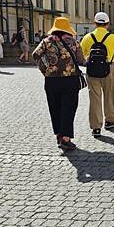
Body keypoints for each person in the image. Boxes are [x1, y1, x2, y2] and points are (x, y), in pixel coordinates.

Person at [32, 17, 85, 151]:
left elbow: (35, 55)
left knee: (54, 108)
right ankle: (66, 138)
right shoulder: (74, 42)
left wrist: (45, 70)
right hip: (70, 80)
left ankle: (58, 135)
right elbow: (80, 60)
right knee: (69, 108)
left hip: (52, 80)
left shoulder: (46, 41)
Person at [80, 12, 114, 137]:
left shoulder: (87, 37)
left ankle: (96, 127)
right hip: (109, 69)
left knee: (94, 99)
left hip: (92, 71)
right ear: (108, 24)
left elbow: (82, 56)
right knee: (109, 96)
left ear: (95, 23)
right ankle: (110, 121)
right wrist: (110, 61)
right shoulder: (113, 37)